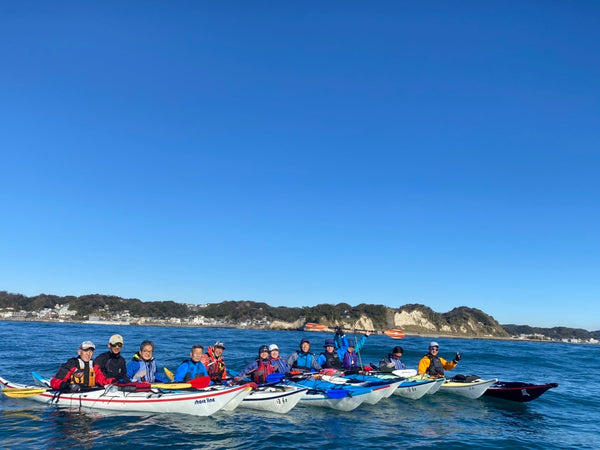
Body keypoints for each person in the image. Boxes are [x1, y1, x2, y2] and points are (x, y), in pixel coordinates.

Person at [50, 341, 114, 391]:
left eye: (91, 351)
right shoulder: (72, 364)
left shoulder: (94, 366)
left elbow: (102, 380)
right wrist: (69, 386)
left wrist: (115, 381)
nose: (88, 354)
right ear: (79, 352)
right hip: (72, 393)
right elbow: (54, 382)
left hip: (89, 392)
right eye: (86, 351)